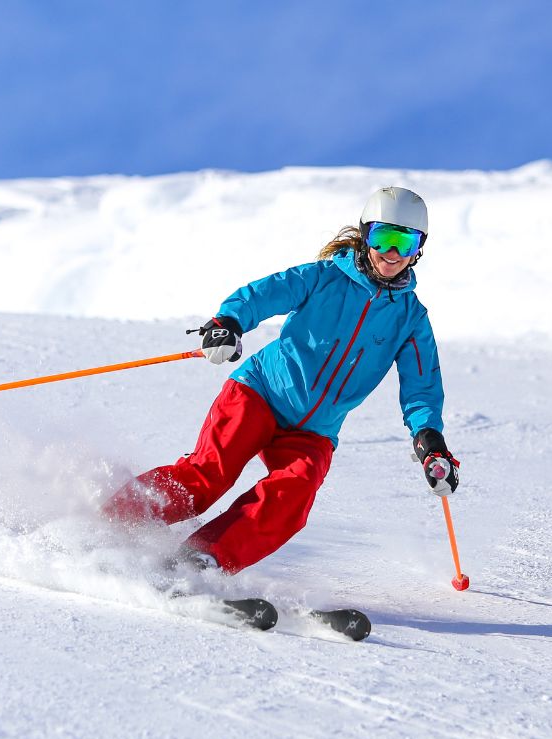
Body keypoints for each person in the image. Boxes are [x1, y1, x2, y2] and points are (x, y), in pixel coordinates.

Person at [102, 187, 459, 573]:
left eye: (404, 242)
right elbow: (264, 294)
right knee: (208, 476)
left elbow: (420, 386)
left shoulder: (411, 318)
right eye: (382, 238)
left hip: (314, 430)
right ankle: (107, 521)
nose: (392, 253)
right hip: (261, 393)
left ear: (418, 249)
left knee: (294, 494)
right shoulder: (323, 278)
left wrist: (429, 440)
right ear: (364, 235)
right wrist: (229, 323)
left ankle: (199, 562)